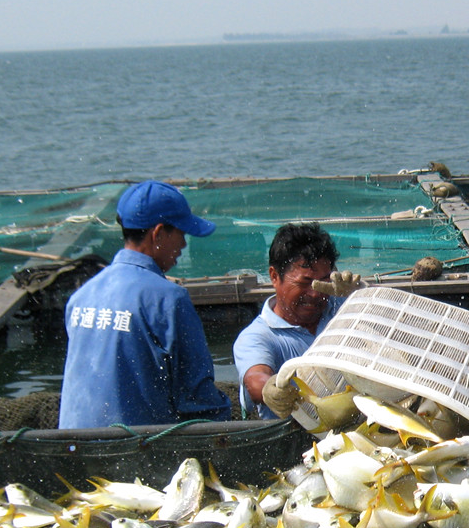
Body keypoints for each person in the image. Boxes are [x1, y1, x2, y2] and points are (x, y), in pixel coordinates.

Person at [59, 180, 230, 428]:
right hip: (136, 452)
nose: (183, 245)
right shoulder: (169, 300)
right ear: (158, 233)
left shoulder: (81, 297)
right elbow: (197, 397)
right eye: (181, 233)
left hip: (71, 447)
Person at [233, 222, 363, 419]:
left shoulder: (344, 305)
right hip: (295, 441)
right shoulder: (257, 336)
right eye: (304, 282)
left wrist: (361, 296)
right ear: (274, 276)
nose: (315, 293)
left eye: (323, 282)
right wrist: (269, 388)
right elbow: (254, 378)